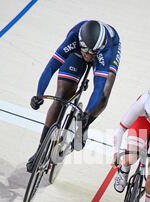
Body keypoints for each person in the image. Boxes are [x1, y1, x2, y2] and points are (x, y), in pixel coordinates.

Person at [27, 20, 121, 172]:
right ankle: (39, 151)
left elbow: (97, 88)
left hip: (109, 49)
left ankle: (84, 126)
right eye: (87, 53)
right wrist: (39, 95)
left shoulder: (106, 50)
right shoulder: (73, 39)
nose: (90, 57)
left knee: (103, 96)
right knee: (62, 95)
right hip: (78, 50)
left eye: (93, 54)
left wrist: (87, 115)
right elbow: (50, 68)